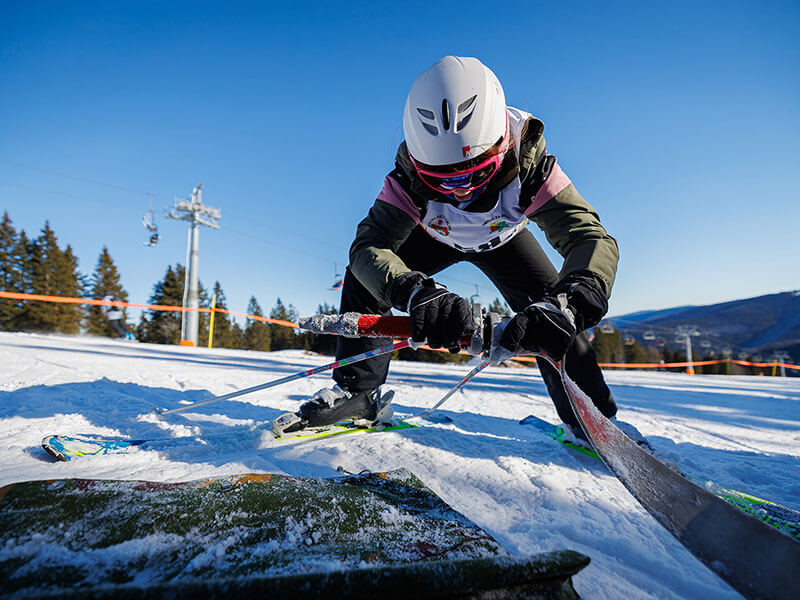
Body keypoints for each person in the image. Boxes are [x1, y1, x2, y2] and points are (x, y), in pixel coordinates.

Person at [277, 56, 619, 439]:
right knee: (365, 278)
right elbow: (369, 245)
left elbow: (588, 236)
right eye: (440, 179)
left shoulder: (530, 164)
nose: (460, 191)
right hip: (434, 238)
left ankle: (590, 417)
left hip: (504, 242)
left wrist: (573, 301)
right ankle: (358, 393)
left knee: (556, 317)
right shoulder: (407, 177)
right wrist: (413, 291)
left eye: (477, 172)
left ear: (503, 143)